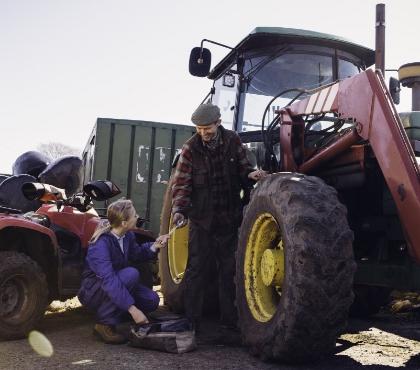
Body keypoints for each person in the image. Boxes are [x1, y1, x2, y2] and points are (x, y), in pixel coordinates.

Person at [171, 102, 267, 333]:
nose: (203, 133)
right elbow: (181, 184)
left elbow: (244, 169)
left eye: (207, 128)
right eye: (199, 129)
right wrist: (179, 211)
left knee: (229, 271)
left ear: (218, 123)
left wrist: (251, 174)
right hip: (202, 220)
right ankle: (192, 322)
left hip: (229, 218)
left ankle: (230, 323)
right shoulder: (190, 149)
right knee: (197, 270)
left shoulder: (233, 140)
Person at [78, 199, 169, 344]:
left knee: (152, 300)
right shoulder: (100, 244)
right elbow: (109, 280)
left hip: (117, 283)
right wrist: (133, 310)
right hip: (95, 290)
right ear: (124, 223)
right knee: (131, 274)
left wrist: (155, 245)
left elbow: (137, 254)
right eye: (134, 215)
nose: (137, 217)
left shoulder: (127, 236)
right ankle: (104, 323)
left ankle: (119, 314)